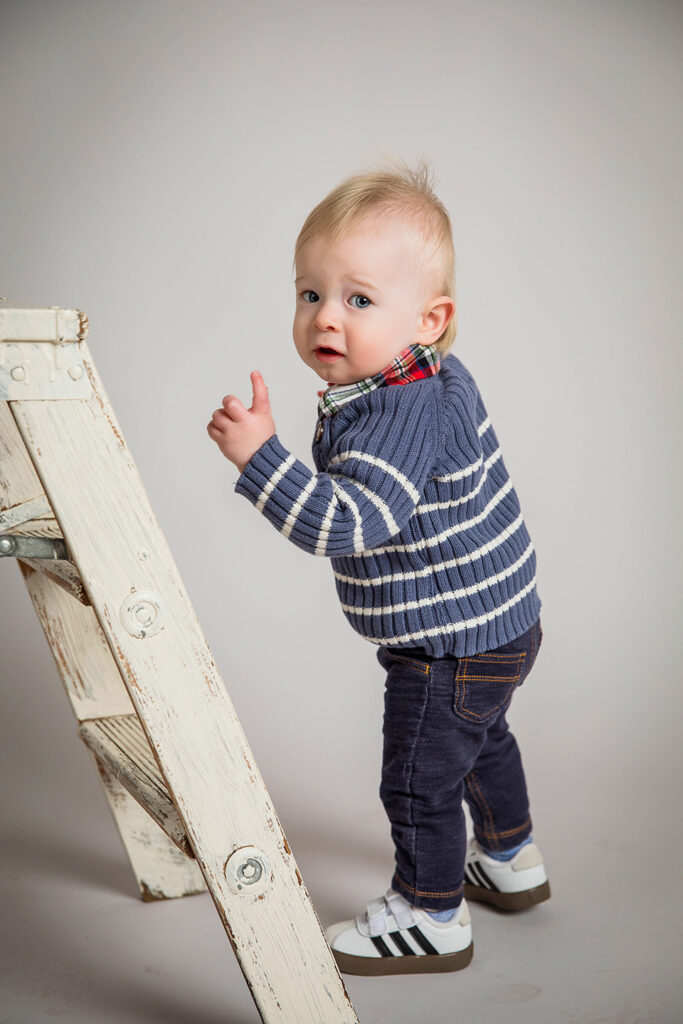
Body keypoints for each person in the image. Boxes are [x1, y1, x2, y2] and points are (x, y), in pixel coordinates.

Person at [207, 161, 550, 977]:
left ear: (430, 319)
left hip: (446, 644)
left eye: (358, 299)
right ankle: (510, 857)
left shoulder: (393, 412)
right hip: (500, 622)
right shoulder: (426, 377)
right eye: (310, 293)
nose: (325, 316)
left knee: (418, 778)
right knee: (481, 740)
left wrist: (261, 459)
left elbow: (348, 522)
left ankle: (430, 914)